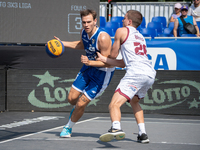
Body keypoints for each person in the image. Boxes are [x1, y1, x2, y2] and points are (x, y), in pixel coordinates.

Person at [53, 9, 115, 138]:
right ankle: (77, 110)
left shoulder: (103, 37)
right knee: (71, 99)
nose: (86, 25)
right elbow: (81, 44)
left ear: (95, 21)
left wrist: (90, 62)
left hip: (102, 73)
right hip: (88, 67)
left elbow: (109, 63)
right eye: (84, 22)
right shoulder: (83, 32)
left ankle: (68, 128)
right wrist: (61, 43)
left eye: (89, 22)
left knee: (81, 103)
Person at [97, 10, 156, 143]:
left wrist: (103, 56)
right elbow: (122, 63)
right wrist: (104, 59)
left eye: (124, 18)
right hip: (149, 73)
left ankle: (116, 128)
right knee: (134, 102)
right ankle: (143, 134)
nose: (122, 21)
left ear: (129, 21)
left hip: (136, 73)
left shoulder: (122, 31)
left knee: (114, 104)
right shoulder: (141, 37)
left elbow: (113, 55)